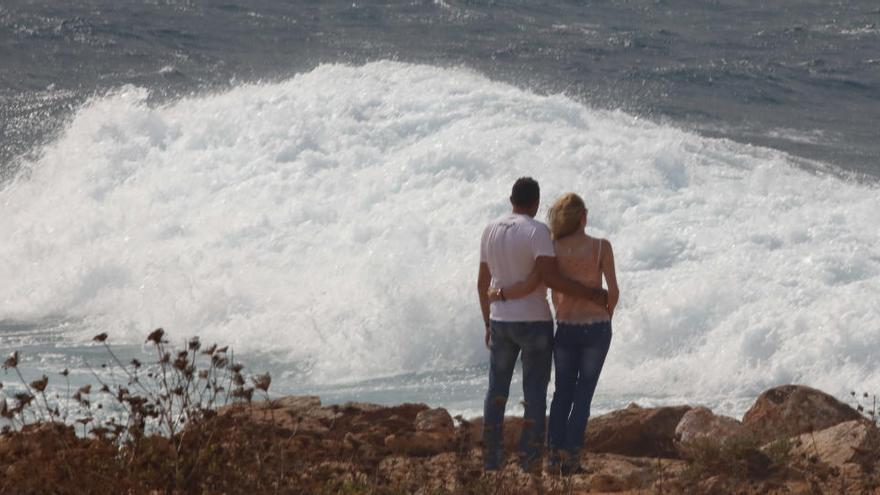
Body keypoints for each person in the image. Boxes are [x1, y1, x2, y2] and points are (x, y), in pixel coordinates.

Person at [477, 178, 607, 472]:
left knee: (496, 391)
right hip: (534, 320)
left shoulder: (490, 230)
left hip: (499, 319)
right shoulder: (537, 231)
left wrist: (487, 319)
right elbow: (550, 278)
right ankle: (530, 460)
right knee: (534, 392)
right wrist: (590, 293)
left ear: (511, 199)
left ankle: (491, 460)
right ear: (535, 203)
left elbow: (482, 283)